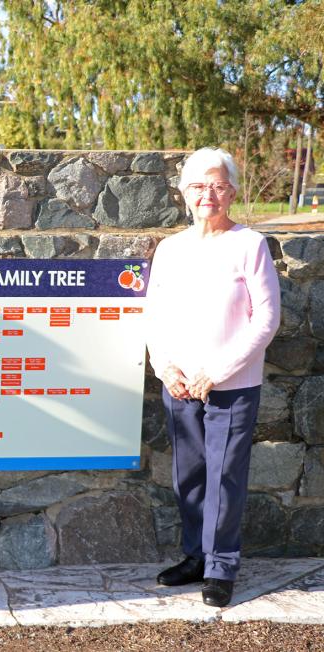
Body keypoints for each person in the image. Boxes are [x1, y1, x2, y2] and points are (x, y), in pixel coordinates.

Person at [146, 147, 280, 607]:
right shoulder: (170, 249)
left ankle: (221, 566)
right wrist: (165, 367)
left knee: (224, 477)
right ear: (184, 192)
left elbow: (266, 320)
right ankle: (195, 557)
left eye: (219, 186)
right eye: (200, 186)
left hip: (232, 386)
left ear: (233, 193)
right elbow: (154, 316)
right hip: (180, 384)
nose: (210, 195)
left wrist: (217, 372)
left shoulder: (249, 245)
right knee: (190, 476)